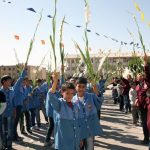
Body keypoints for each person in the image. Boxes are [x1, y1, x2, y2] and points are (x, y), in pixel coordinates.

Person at [47, 72, 82, 150]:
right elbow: (51, 96)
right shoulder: (59, 105)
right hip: (63, 144)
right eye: (67, 93)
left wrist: (80, 138)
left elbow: (78, 124)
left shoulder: (75, 105)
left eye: (72, 93)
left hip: (75, 142)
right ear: (62, 92)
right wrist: (55, 82)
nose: (70, 95)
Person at [0, 66, 27, 149]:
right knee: (3, 131)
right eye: (9, 80)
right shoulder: (0, 92)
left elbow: (19, 82)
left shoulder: (12, 90)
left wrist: (24, 71)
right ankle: (3, 145)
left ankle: (9, 146)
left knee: (10, 130)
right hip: (2, 115)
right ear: (4, 82)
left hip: (11, 114)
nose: (10, 82)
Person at [73, 77, 103, 150]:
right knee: (79, 147)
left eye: (83, 87)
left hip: (89, 130)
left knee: (90, 147)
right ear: (75, 86)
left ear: (86, 87)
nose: (81, 89)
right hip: (79, 131)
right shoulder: (72, 100)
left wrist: (97, 93)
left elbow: (99, 104)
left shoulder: (91, 96)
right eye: (79, 86)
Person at [135, 54, 150, 144]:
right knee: (144, 123)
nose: (141, 76)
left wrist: (145, 63)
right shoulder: (138, 85)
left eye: (142, 75)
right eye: (139, 75)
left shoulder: (147, 82)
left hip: (147, 105)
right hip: (141, 106)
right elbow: (138, 93)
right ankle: (146, 138)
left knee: (147, 123)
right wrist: (137, 99)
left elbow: (147, 73)